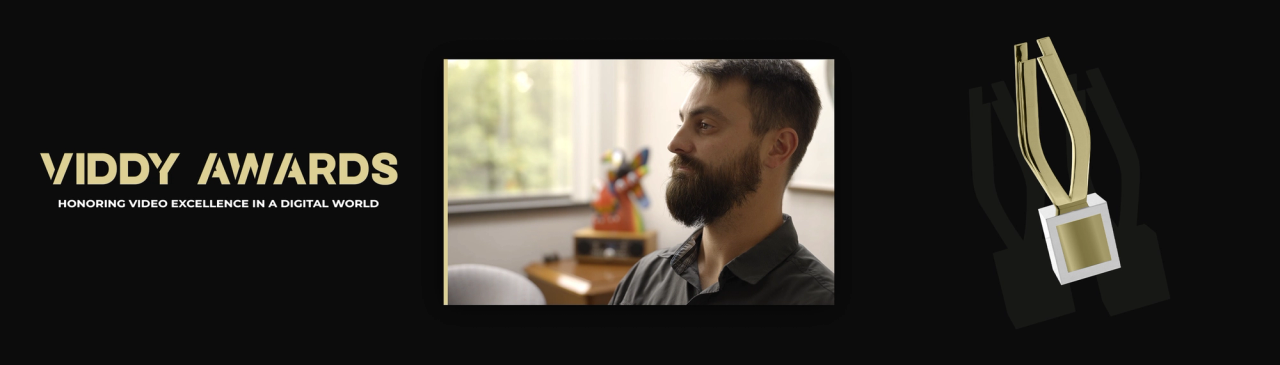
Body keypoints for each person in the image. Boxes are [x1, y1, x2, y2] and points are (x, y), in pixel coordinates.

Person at [609, 59, 834, 305]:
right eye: (681, 122)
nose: (674, 144)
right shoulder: (644, 278)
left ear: (778, 148)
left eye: (704, 125)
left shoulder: (820, 299)